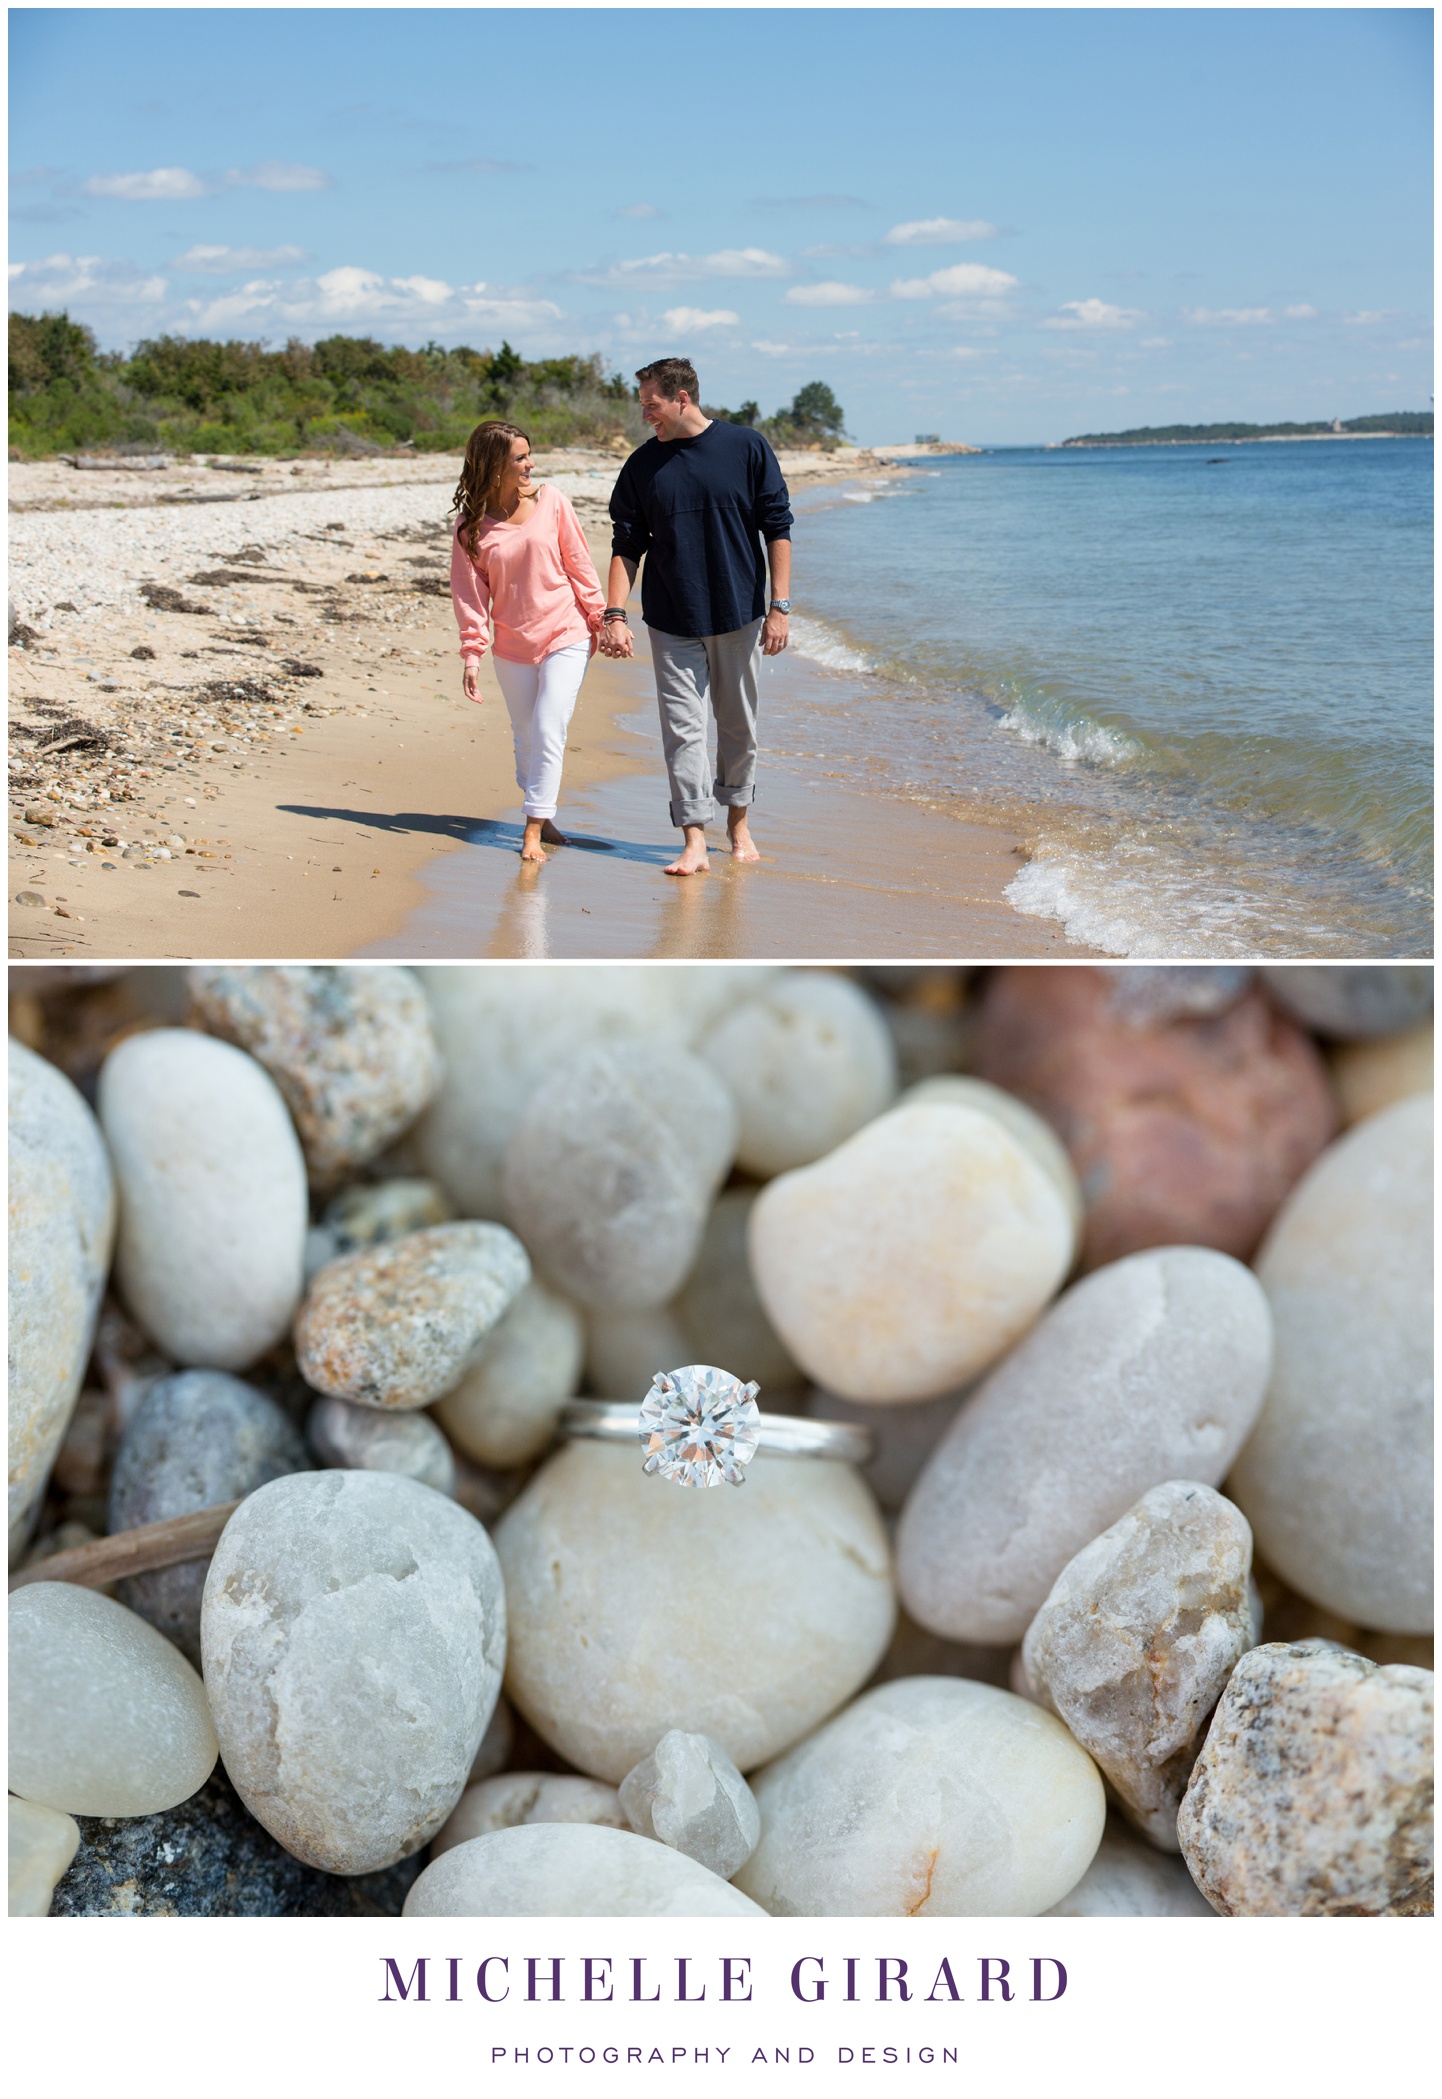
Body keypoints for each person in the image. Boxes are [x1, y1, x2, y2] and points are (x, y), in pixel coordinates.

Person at [601, 358, 793, 876]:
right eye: (643, 404)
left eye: (652, 403)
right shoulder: (641, 466)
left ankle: (738, 826)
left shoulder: (746, 447)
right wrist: (614, 614)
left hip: (739, 615)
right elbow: (626, 545)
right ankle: (693, 840)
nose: (646, 414)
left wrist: (780, 607)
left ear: (681, 398)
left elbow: (777, 527)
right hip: (671, 618)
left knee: (738, 727)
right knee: (683, 732)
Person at [450, 420, 606, 863]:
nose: (530, 464)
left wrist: (602, 618)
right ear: (494, 465)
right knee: (525, 735)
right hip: (512, 644)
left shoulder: (552, 501)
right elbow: (470, 595)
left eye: (528, 454)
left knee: (547, 726)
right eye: (519, 457)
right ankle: (544, 808)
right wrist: (472, 654)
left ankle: (533, 827)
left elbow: (579, 565)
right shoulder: (470, 526)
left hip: (566, 631)